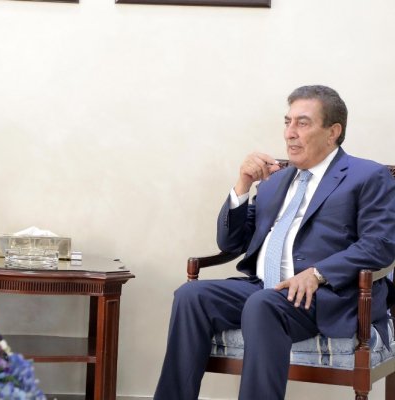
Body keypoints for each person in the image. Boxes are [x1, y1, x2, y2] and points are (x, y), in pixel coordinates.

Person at [153, 85, 395, 400]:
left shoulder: (367, 176)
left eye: (302, 123)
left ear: (332, 132)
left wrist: (318, 273)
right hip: (265, 288)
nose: (290, 133)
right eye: (287, 122)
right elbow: (231, 242)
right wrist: (242, 185)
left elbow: (380, 244)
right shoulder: (275, 180)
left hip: (324, 296)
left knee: (262, 304)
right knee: (191, 295)